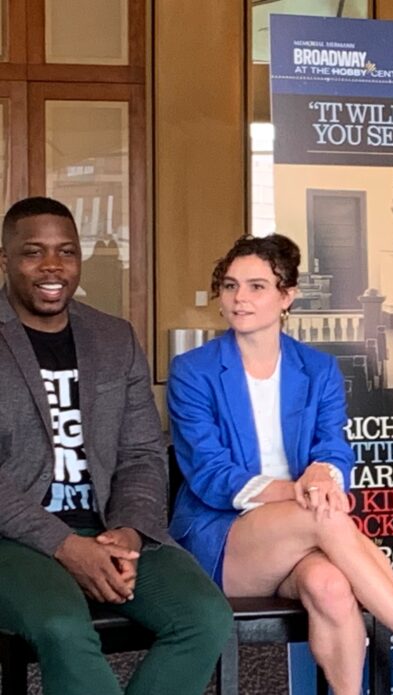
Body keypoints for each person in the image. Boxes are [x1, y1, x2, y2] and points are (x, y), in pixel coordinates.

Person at [167, 234, 393, 695]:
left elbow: (333, 448)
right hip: (224, 540)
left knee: (331, 586)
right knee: (323, 514)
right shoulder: (194, 370)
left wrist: (324, 475)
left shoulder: (318, 369)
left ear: (287, 296)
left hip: (306, 533)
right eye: (230, 286)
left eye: (256, 286)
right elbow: (211, 475)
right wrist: (303, 490)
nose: (239, 298)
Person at [0, 196, 233, 695]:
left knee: (204, 617)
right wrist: (65, 546)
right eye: (33, 252)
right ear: (5, 259)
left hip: (108, 527)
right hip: (12, 539)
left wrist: (128, 531)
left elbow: (142, 453)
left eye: (66, 251)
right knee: (64, 629)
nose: (52, 266)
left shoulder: (114, 338)